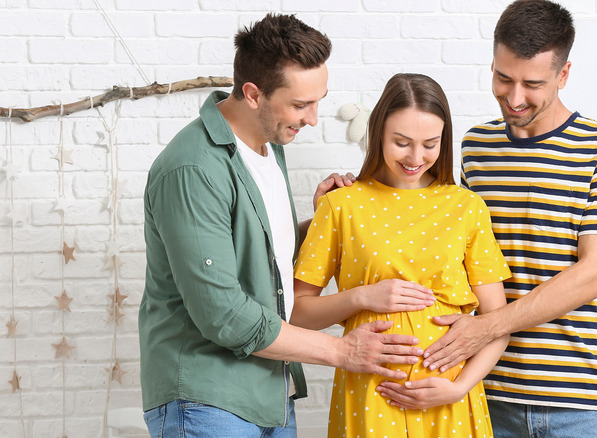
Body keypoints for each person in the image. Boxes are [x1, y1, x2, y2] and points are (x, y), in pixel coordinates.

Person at [138, 14, 424, 437]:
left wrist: (317, 222)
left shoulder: (268, 147)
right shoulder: (192, 168)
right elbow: (224, 315)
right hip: (206, 400)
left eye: (318, 100)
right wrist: (342, 351)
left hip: (269, 392)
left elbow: (261, 264)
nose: (312, 118)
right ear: (253, 94)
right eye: (300, 104)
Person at [387, 1, 597, 437]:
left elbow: (595, 275)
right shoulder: (476, 146)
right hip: (484, 393)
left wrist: (483, 329)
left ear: (563, 76)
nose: (515, 96)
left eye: (533, 83)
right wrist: (352, 197)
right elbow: (439, 236)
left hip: (577, 402)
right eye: (503, 78)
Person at [291, 73, 513, 437]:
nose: (415, 157)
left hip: (450, 399)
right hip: (371, 394)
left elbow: (497, 322)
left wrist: (459, 387)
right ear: (378, 133)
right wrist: (362, 297)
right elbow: (298, 314)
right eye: (401, 142)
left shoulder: (466, 207)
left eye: (430, 144)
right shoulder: (341, 204)